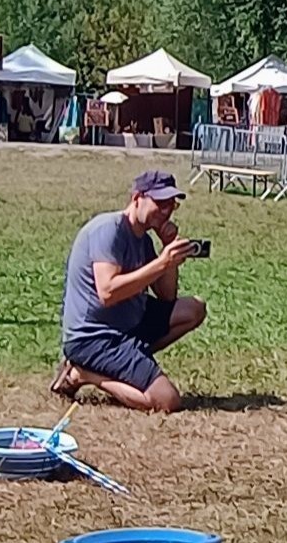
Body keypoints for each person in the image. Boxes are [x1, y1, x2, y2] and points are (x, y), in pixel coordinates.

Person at [54, 171, 207, 413]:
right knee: (167, 400)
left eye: (171, 205)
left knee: (194, 309)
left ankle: (131, 360)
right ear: (137, 198)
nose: (166, 211)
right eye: (160, 203)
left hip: (128, 324)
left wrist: (168, 249)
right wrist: (162, 263)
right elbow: (107, 292)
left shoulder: (143, 239)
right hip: (94, 337)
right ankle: (84, 373)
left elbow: (167, 296)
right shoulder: (109, 230)